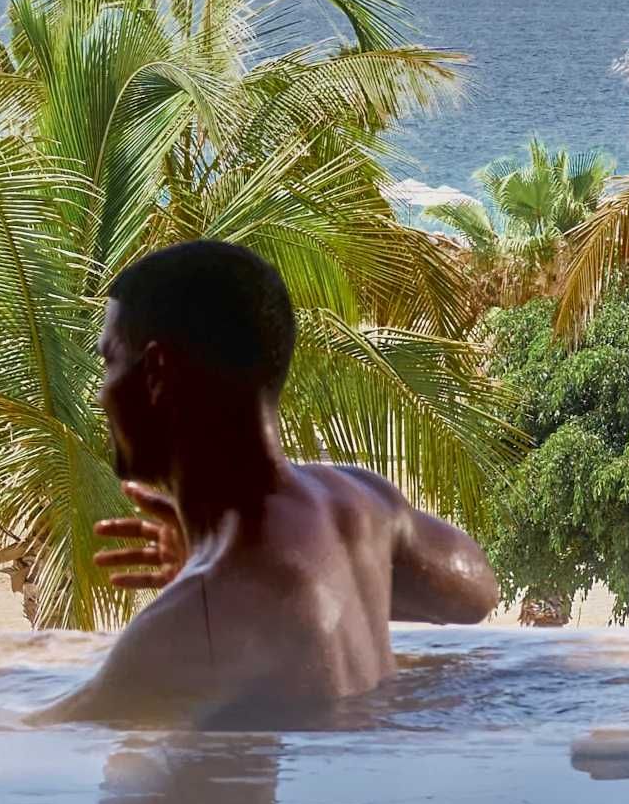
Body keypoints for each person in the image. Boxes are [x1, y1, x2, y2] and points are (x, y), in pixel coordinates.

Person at [47, 237, 497, 727]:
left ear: (156, 372)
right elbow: (477, 591)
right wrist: (339, 582)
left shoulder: (191, 626)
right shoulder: (359, 504)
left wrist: (219, 580)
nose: (99, 394)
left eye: (109, 362)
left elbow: (28, 745)